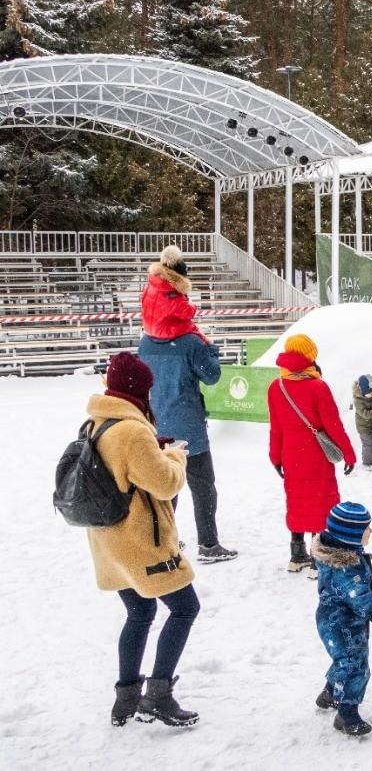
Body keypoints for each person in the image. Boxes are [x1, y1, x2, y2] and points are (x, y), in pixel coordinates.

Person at [87, 352, 202, 728]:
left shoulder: (98, 424)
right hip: (141, 543)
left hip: (110, 543)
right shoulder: (133, 431)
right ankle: (158, 694)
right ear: (139, 390)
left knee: (139, 613)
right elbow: (165, 483)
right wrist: (174, 456)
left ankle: (125, 699)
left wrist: (155, 450)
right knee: (185, 607)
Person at [138, 294, 235, 564]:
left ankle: (166, 540)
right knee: (203, 486)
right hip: (189, 426)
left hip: (157, 424)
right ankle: (208, 543)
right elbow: (212, 375)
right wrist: (210, 348)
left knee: (166, 486)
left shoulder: (145, 341)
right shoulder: (191, 343)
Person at [312, 502, 372, 736]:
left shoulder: (343, 555)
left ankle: (330, 694)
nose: (371, 532)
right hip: (341, 624)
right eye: (367, 528)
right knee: (355, 666)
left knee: (344, 660)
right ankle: (347, 714)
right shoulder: (346, 569)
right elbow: (364, 603)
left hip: (338, 619)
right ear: (351, 535)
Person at [268, 335, 357, 572]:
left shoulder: (276, 387)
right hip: (316, 455)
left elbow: (275, 426)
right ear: (309, 357)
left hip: (291, 455)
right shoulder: (317, 386)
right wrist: (349, 454)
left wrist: (275, 456)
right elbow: (333, 425)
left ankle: (296, 556)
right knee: (321, 502)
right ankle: (318, 560)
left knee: (297, 502)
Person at [140, 245, 204, 342]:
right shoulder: (171, 290)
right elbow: (187, 313)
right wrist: (192, 304)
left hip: (150, 330)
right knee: (205, 345)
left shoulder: (151, 284)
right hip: (165, 332)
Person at [351, 374, 372, 470]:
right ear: (362, 392)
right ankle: (368, 464)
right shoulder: (358, 400)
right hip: (364, 427)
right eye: (370, 393)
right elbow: (364, 413)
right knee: (369, 445)